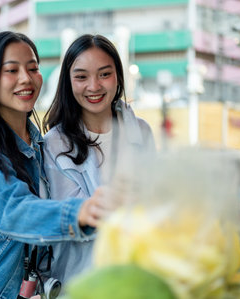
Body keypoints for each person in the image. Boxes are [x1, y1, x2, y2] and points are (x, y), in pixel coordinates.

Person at [0, 31, 109, 299]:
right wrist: (80, 213)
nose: (26, 78)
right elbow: (14, 211)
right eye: (11, 70)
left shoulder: (37, 142)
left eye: (33, 68)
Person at [43, 34, 156, 285]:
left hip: (137, 278)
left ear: (118, 76)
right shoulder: (54, 143)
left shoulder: (141, 132)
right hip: (81, 281)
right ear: (68, 82)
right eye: (81, 77)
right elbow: (66, 218)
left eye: (104, 74)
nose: (94, 86)